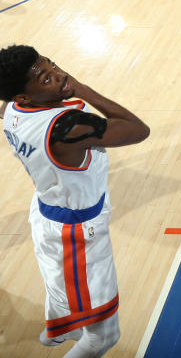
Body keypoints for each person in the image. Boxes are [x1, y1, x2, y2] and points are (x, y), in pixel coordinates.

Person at [0, 44, 149, 355]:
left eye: (51, 64)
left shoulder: (10, 110)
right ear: (23, 96)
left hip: (47, 213)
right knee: (103, 336)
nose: (58, 74)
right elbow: (138, 129)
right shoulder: (67, 128)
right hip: (77, 235)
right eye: (44, 78)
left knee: (59, 287)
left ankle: (53, 335)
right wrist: (83, 89)